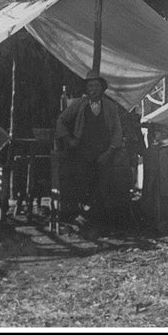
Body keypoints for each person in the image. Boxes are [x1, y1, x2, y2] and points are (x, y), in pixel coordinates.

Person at [56, 71, 123, 235]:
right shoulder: (79, 104)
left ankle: (85, 219)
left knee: (103, 186)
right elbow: (61, 121)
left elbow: (117, 132)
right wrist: (69, 140)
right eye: (90, 86)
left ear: (102, 89)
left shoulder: (110, 107)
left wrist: (110, 152)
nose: (93, 89)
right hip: (82, 152)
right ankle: (85, 220)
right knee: (83, 185)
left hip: (104, 153)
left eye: (96, 86)